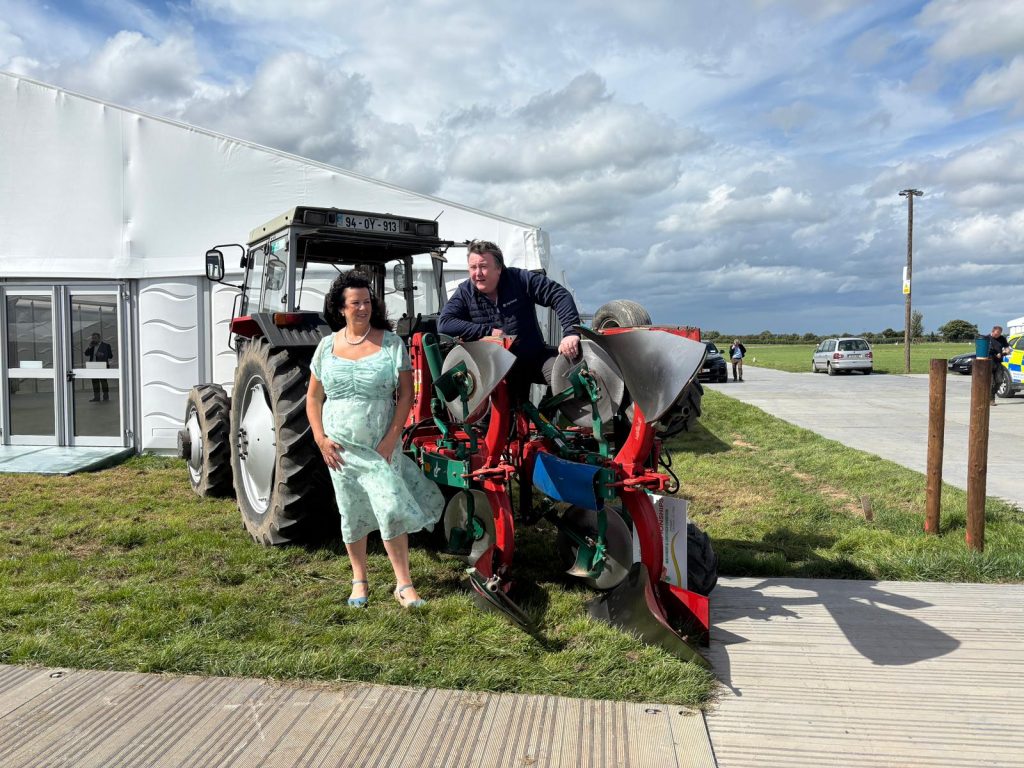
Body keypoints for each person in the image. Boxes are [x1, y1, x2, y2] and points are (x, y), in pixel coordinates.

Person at [306, 272, 444, 609]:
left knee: (391, 507)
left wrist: (392, 438)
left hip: (381, 446)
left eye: (367, 302)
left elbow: (406, 396)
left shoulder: (392, 344)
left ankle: (404, 584)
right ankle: (359, 580)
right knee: (351, 512)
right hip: (339, 448)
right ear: (341, 308)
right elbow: (313, 398)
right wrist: (321, 439)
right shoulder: (326, 347)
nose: (363, 308)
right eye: (356, 303)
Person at [438, 240, 582, 396]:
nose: (477, 273)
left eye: (483, 266)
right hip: (495, 369)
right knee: (503, 407)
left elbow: (559, 295)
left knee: (570, 376)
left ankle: (549, 408)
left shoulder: (519, 279)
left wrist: (571, 333)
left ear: (499, 268)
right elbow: (445, 323)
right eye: (473, 267)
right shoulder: (465, 292)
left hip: (533, 357)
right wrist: (487, 331)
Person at [85, 333, 113, 401]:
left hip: (102, 365)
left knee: (103, 382)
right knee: (95, 382)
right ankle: (96, 397)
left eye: (95, 338)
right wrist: (89, 347)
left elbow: (110, 356)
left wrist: (102, 355)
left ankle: (106, 396)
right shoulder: (92, 346)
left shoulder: (106, 345)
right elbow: (86, 354)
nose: (93, 339)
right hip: (93, 366)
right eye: (93, 338)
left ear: (99, 338)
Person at [987, 325, 1010, 405]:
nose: (998, 335)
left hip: (998, 362)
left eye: (999, 334)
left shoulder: (1002, 338)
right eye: (997, 334)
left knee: (999, 381)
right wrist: (996, 354)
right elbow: (989, 349)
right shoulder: (987, 338)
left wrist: (1004, 352)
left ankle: (992, 394)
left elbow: (1007, 349)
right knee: (990, 382)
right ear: (993, 331)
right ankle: (991, 399)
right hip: (989, 362)